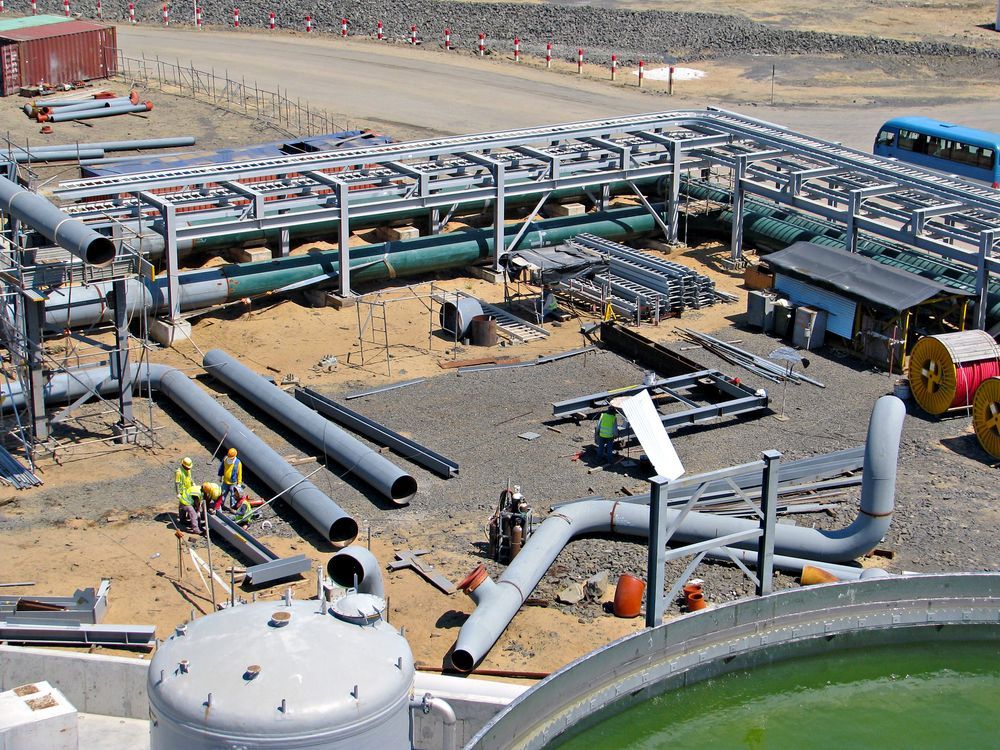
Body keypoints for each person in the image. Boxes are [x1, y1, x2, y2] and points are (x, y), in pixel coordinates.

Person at [175, 457, 202, 533]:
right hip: (182, 491)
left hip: (189, 490)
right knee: (183, 505)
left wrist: (193, 483)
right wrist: (178, 493)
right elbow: (177, 483)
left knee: (189, 504)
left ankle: (189, 518)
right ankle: (182, 520)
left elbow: (190, 478)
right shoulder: (179, 472)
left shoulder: (188, 470)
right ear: (184, 465)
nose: (188, 468)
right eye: (187, 467)